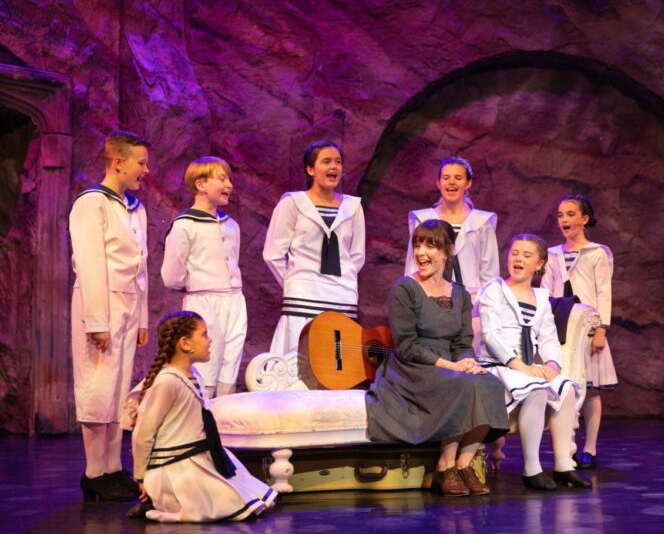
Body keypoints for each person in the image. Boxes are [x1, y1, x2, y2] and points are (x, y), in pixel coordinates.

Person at [367, 220, 509, 497]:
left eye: (430, 245)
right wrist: (451, 366)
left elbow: (462, 342)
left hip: (451, 364)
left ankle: (464, 464)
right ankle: (445, 466)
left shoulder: (459, 294)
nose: (421, 252)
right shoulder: (405, 289)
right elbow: (406, 346)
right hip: (413, 368)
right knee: (460, 384)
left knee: (490, 385)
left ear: (448, 251)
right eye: (418, 244)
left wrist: (468, 361)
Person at [130, 311, 276, 522]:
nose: (210, 340)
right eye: (204, 334)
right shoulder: (167, 382)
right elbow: (143, 433)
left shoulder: (193, 375)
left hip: (197, 455)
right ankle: (156, 502)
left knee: (246, 490)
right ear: (185, 343)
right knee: (227, 501)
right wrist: (141, 478)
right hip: (175, 467)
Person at [69, 130, 151, 502]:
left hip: (129, 303)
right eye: (141, 162)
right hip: (98, 300)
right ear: (118, 162)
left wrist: (143, 317)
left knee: (118, 390)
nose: (146, 170)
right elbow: (90, 264)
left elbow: (142, 266)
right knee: (98, 385)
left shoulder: (135, 208)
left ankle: (113, 468)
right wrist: (98, 321)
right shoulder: (91, 203)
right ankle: (93, 472)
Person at [478, 234, 591, 490]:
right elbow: (491, 335)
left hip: (526, 367)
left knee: (566, 387)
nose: (518, 258)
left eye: (526, 255)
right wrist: (519, 366)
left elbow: (549, 337)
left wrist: (551, 366)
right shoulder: (494, 290)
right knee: (536, 390)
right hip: (498, 365)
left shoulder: (541, 297)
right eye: (515, 253)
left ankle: (563, 465)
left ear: (539, 264)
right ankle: (532, 468)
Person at [263, 141, 365, 387]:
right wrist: (294, 282)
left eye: (338, 162)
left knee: (337, 366)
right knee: (297, 368)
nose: (334, 167)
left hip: (341, 296)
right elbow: (273, 253)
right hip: (303, 296)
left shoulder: (353, 207)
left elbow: (357, 255)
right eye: (327, 161)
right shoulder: (293, 202)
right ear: (310, 170)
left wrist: (345, 281)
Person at [541, 194, 617, 469]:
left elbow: (603, 293)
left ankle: (590, 448)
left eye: (570, 214)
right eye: (560, 215)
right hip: (561, 329)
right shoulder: (552, 254)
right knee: (564, 388)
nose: (564, 220)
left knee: (591, 389)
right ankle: (565, 448)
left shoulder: (598, 253)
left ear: (584, 219)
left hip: (588, 330)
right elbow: (546, 291)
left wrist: (601, 330)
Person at [162, 156, 246, 398]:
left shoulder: (231, 225)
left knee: (230, 367)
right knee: (205, 367)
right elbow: (171, 276)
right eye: (221, 179)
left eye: (229, 178)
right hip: (204, 302)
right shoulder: (185, 225)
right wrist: (197, 283)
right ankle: (202, 425)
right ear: (200, 185)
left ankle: (226, 429)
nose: (229, 184)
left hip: (234, 300)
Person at [404, 156, 499, 344]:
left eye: (458, 177)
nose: (452, 182)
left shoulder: (481, 223)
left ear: (468, 183)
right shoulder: (423, 220)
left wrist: (482, 307)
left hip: (470, 306)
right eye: (446, 177)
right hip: (430, 302)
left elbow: (490, 274)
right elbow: (412, 266)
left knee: (465, 362)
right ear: (438, 183)